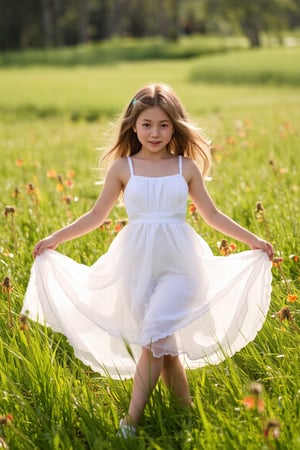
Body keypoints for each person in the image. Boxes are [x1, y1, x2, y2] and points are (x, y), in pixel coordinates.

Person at [22, 83, 274, 438]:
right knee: (165, 348)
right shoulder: (123, 168)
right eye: (147, 124)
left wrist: (254, 240)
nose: (155, 133)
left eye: (164, 125)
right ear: (133, 125)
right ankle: (186, 417)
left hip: (181, 265)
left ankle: (131, 422)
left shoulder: (185, 167)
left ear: (175, 127)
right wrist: (53, 239)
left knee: (155, 337)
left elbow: (213, 214)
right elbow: (96, 216)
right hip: (135, 266)